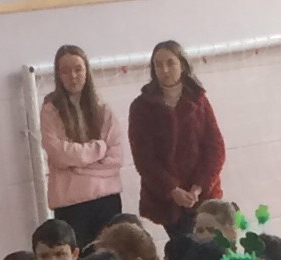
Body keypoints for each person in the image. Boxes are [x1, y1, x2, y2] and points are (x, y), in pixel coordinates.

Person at [127, 42, 224, 240]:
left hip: (203, 197)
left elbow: (215, 148)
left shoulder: (199, 100)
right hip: (167, 202)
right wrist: (173, 190)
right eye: (158, 65)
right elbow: (144, 159)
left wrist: (198, 186)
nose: (164, 70)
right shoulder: (141, 107)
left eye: (170, 63)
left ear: (182, 65)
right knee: (183, 248)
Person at [41, 45, 127, 237]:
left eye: (78, 69)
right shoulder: (50, 110)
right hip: (71, 205)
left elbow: (115, 158)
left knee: (109, 253)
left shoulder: (103, 110)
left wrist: (77, 167)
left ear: (86, 71)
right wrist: (99, 148)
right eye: (65, 71)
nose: (73, 76)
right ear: (58, 75)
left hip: (106, 200)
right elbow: (58, 154)